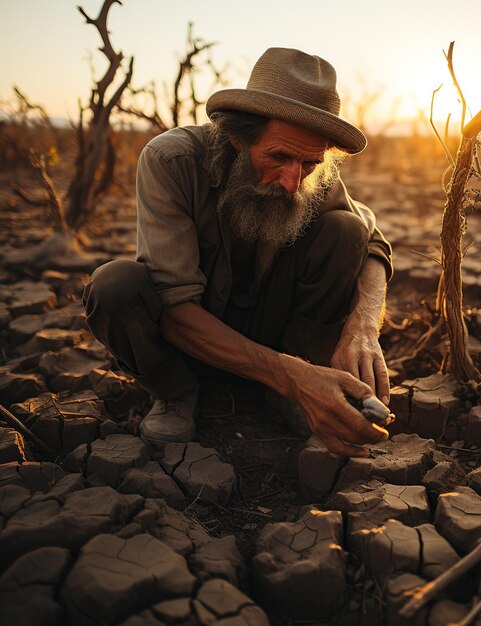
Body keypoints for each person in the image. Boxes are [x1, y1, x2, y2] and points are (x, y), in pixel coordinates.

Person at [83, 47, 393, 457]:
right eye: (278, 157)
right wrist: (292, 375)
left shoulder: (304, 172)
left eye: (310, 164)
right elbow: (174, 305)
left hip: (272, 333)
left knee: (346, 230)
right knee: (114, 286)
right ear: (237, 136)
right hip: (187, 343)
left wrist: (364, 328)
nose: (292, 181)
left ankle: (291, 394)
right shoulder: (171, 160)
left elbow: (373, 240)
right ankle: (176, 394)